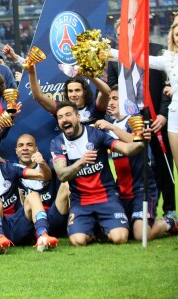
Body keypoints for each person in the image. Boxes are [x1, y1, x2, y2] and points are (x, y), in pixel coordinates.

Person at [50, 101, 150, 246]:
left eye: (68, 115)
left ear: (78, 117)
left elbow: (127, 149)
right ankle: (95, 230)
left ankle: (103, 227)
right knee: (78, 241)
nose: (64, 119)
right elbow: (61, 174)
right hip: (81, 201)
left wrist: (141, 141)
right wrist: (81, 162)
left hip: (107, 197)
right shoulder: (57, 142)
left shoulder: (96, 134)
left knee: (120, 238)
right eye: (60, 117)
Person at [108, 17, 176, 220]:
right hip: (130, 122)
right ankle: (142, 213)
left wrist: (163, 114)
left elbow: (168, 86)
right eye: (119, 35)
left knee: (163, 166)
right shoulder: (116, 58)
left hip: (157, 119)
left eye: (127, 33)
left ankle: (170, 211)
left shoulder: (158, 51)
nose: (123, 38)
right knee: (136, 167)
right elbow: (113, 87)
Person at [94, 86, 177, 240]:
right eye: (110, 99)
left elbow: (136, 141)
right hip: (120, 191)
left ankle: (169, 222)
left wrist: (112, 127)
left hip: (142, 188)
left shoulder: (135, 120)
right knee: (122, 232)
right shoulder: (107, 125)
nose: (111, 103)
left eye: (116, 99)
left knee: (141, 235)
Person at [0, 136, 58, 254]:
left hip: (19, 224)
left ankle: (43, 235)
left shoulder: (9, 169)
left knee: (33, 195)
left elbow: (45, 176)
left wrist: (41, 163)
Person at [16, 134, 70, 239]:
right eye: (21, 145)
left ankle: (74, 226)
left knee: (67, 184)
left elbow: (48, 175)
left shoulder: (47, 164)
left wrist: (42, 163)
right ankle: (36, 233)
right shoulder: (11, 169)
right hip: (29, 220)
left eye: (29, 145)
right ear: (16, 150)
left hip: (52, 216)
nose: (25, 148)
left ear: (36, 149)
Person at [26, 62, 111, 125]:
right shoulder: (62, 108)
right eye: (70, 91)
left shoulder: (95, 107)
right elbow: (38, 96)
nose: (73, 94)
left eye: (77, 90)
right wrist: (31, 72)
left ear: (85, 92)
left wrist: (87, 75)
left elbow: (106, 92)